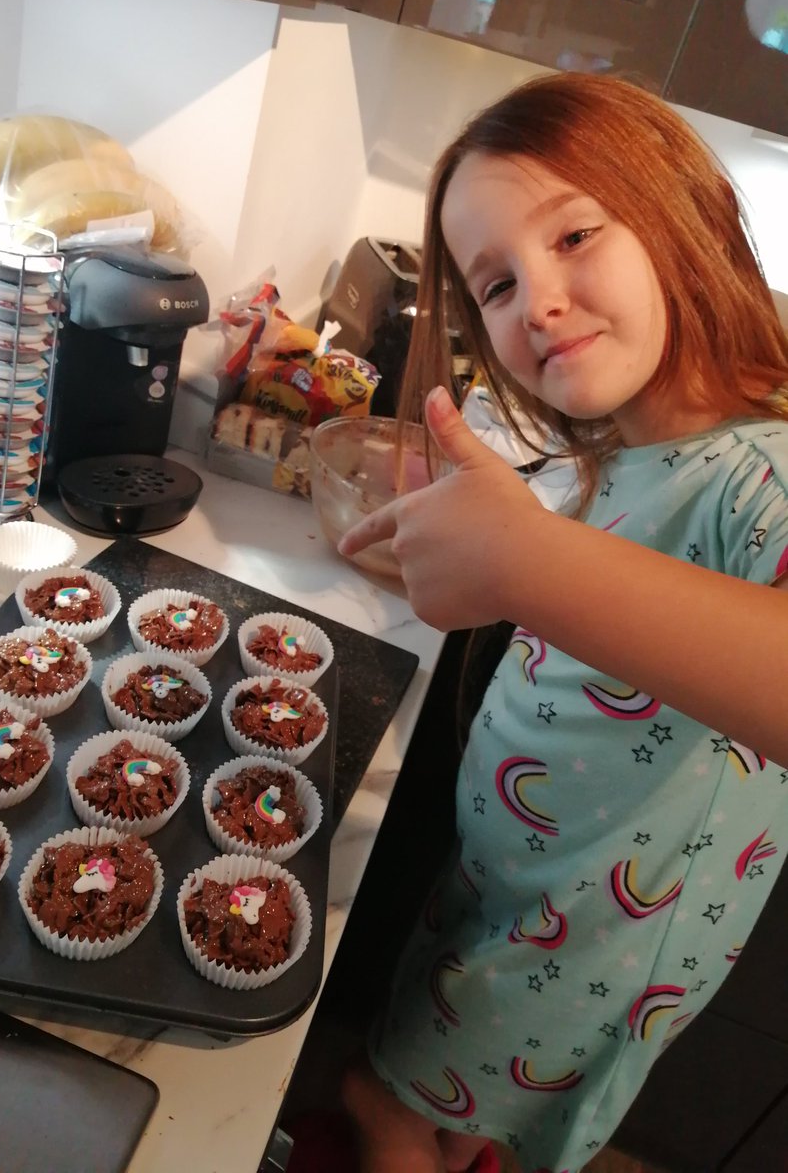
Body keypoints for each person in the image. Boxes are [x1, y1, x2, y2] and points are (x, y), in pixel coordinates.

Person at [336, 71, 788, 1173]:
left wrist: (523, 560)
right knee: (437, 1113)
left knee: (385, 1104)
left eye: (575, 235)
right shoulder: (625, 452)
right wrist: (474, 563)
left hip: (591, 945)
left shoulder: (759, 473)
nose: (535, 300)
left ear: (686, 219)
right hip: (512, 891)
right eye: (494, 284)